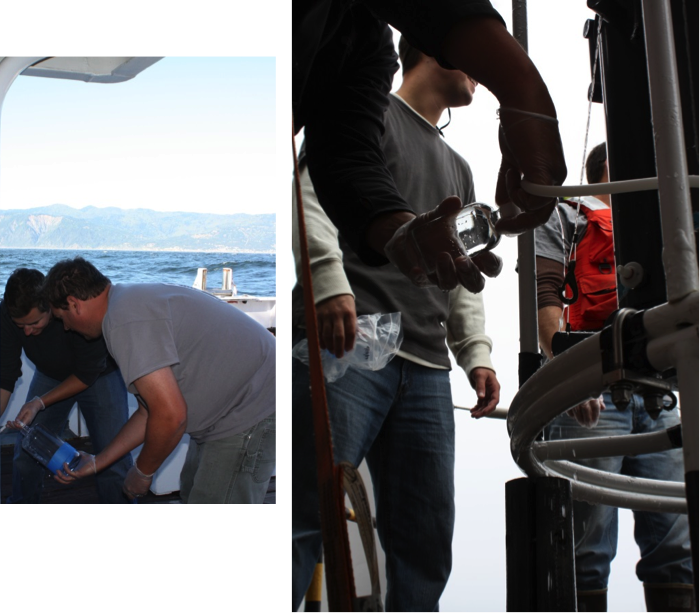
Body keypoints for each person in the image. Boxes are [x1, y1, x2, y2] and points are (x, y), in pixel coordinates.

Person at [290, 37, 501, 612]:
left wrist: (476, 352)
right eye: (477, 53)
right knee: (306, 514)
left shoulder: (459, 167)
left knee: (425, 541)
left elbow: (458, 270)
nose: (484, 73)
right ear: (434, 47)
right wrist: (328, 283)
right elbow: (307, 192)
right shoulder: (366, 111)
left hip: (428, 369)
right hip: (347, 341)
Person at [292, 0, 567, 293]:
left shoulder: (364, 42)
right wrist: (522, 90)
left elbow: (345, 153)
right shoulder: (386, 113)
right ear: (426, 43)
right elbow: (308, 200)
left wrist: (398, 230)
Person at [535, 143, 695, 613]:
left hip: (661, 397)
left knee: (677, 551)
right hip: (592, 393)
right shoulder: (566, 216)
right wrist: (571, 380)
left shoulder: (667, 220)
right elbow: (546, 300)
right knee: (583, 550)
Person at [36, 257, 276, 504]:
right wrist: (98, 462)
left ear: (74, 304)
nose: (65, 327)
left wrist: (142, 473)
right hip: (230, 409)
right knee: (192, 488)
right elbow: (150, 412)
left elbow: (171, 416)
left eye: (61, 317)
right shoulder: (125, 303)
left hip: (251, 408)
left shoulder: (124, 321)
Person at [0, 267, 134, 504]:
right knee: (27, 452)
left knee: (112, 459)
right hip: (50, 375)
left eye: (35, 322)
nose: (27, 332)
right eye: (21, 327)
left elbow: (86, 374)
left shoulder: (75, 314)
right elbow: (6, 377)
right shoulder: (8, 315)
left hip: (100, 376)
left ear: (50, 306)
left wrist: (39, 402)